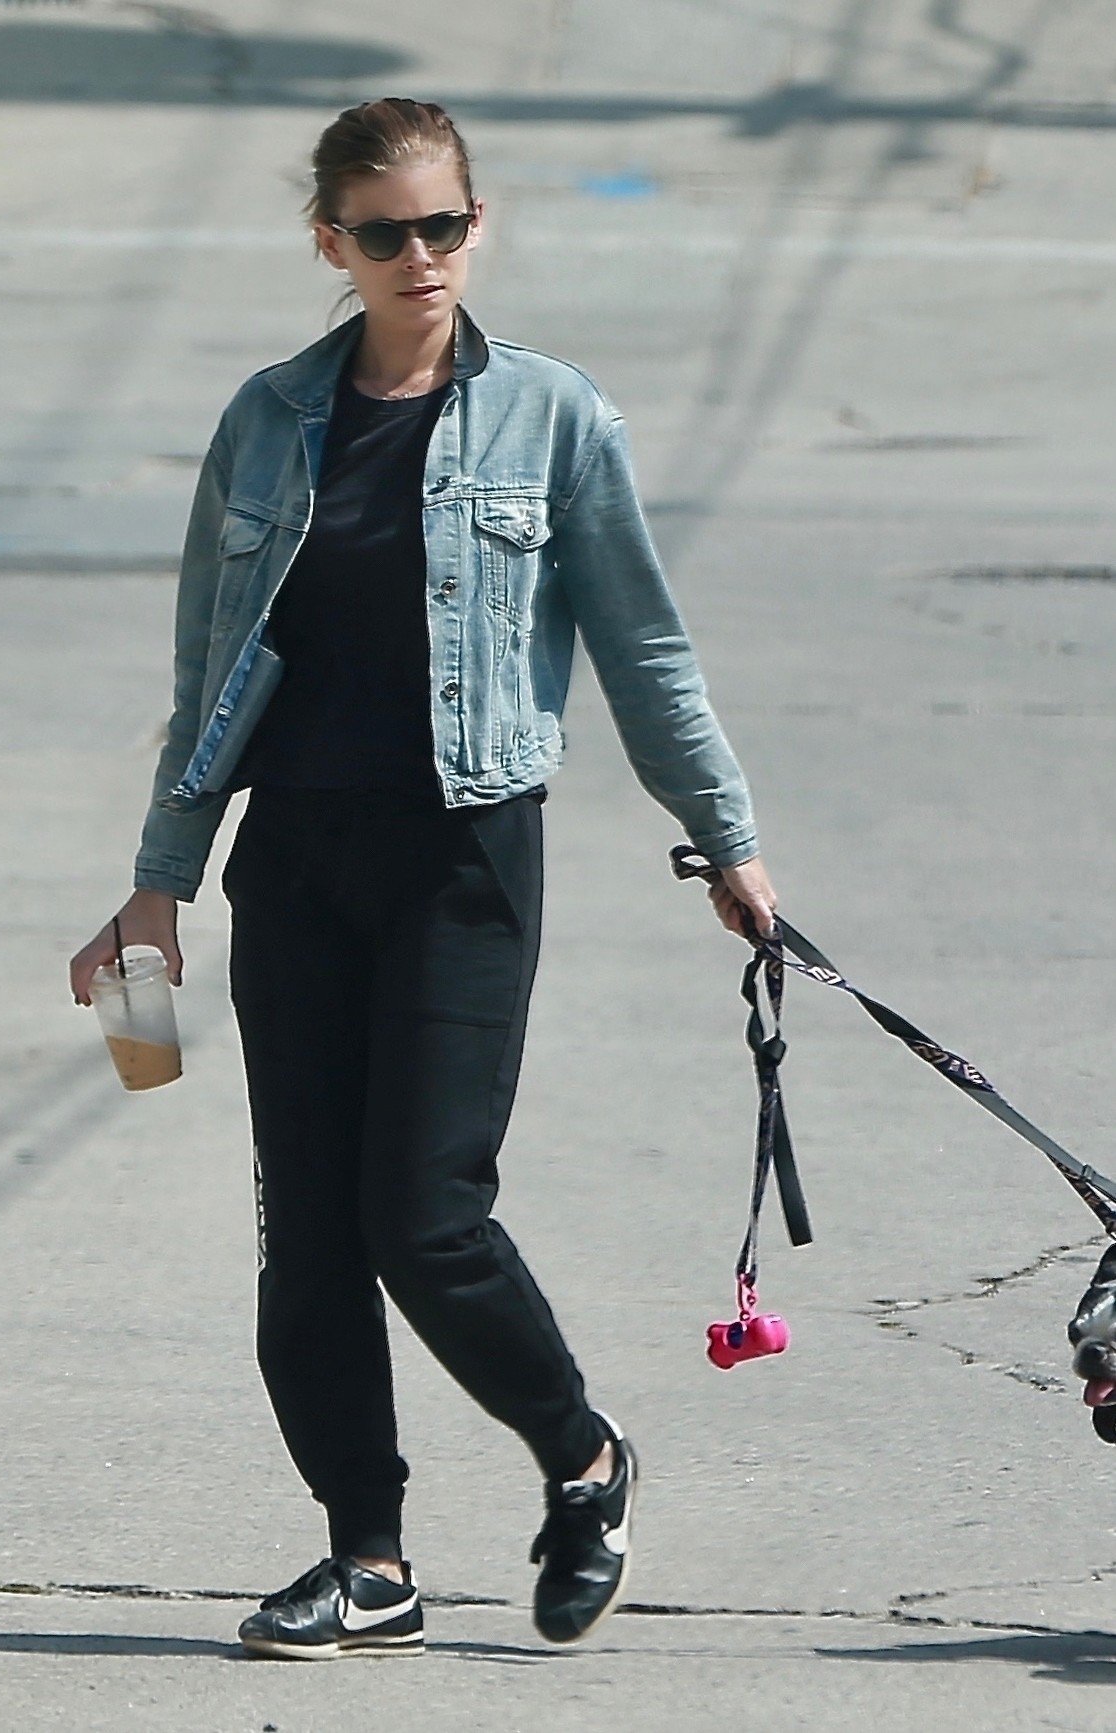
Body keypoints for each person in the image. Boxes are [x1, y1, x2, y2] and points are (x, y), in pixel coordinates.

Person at [69, 97, 777, 1659]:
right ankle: (368, 1558)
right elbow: (206, 671)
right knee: (307, 1239)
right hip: (296, 863)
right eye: (383, 232)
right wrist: (159, 881)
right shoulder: (268, 421)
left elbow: (644, 645)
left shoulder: (554, 419)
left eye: (442, 225)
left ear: (477, 224)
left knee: (425, 1216)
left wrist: (724, 837)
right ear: (331, 241)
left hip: (465, 858)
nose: (419, 257)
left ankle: (582, 1458)